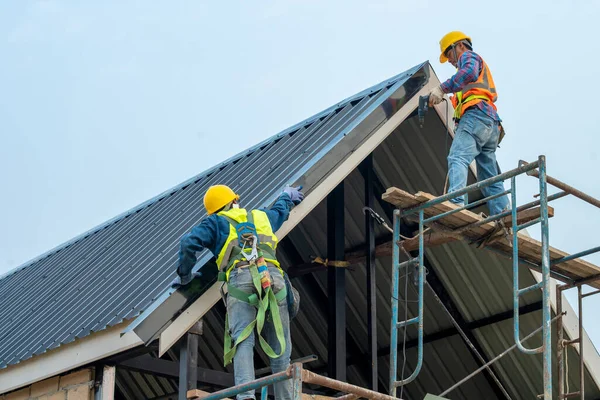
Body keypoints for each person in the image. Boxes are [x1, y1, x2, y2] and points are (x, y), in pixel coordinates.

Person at [174, 184, 304, 400]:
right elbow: (280, 211)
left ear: (216, 209)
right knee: (280, 348)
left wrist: (185, 275)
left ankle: (246, 397)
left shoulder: (216, 222)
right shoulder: (260, 216)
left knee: (244, 340)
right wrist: (286, 196)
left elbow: (188, 242)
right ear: (234, 201)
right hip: (273, 281)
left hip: (241, 280)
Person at [428, 31, 509, 216]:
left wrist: (441, 88)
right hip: (489, 124)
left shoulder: (469, 57)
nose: (449, 60)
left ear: (460, 46)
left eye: (449, 54)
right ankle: (503, 213)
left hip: (477, 117)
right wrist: (443, 97)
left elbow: (469, 73)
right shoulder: (465, 83)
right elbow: (463, 93)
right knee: (488, 176)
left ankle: (456, 203)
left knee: (457, 157)